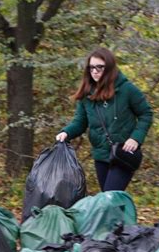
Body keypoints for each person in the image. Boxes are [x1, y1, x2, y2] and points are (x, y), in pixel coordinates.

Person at [56, 48, 153, 192]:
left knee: (109, 196)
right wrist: (66, 133)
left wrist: (135, 138)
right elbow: (80, 122)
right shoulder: (86, 95)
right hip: (101, 154)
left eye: (100, 67)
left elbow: (146, 114)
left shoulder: (127, 90)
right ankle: (121, 215)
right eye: (91, 68)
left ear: (109, 68)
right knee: (109, 201)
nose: (95, 71)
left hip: (123, 152)